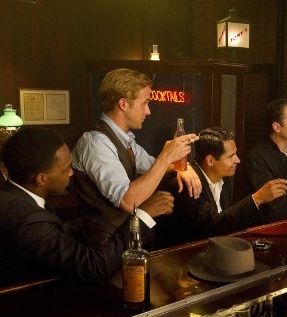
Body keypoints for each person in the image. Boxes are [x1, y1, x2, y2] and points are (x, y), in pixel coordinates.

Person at [0, 128, 141, 289]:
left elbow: (49, 236)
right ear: (41, 179)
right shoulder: (28, 220)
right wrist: (142, 216)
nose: (71, 173)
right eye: (66, 168)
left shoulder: (1, 192)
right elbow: (94, 268)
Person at [72, 68, 202, 247]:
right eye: (145, 103)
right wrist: (166, 157)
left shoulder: (125, 139)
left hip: (127, 238)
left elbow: (153, 167)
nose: (148, 111)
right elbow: (128, 201)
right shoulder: (95, 143)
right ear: (123, 104)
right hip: (104, 247)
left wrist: (182, 167)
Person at [154, 128, 287, 247]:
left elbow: (227, 220)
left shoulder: (223, 177)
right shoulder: (186, 183)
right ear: (210, 161)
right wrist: (258, 198)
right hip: (182, 258)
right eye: (231, 156)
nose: (238, 160)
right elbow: (213, 227)